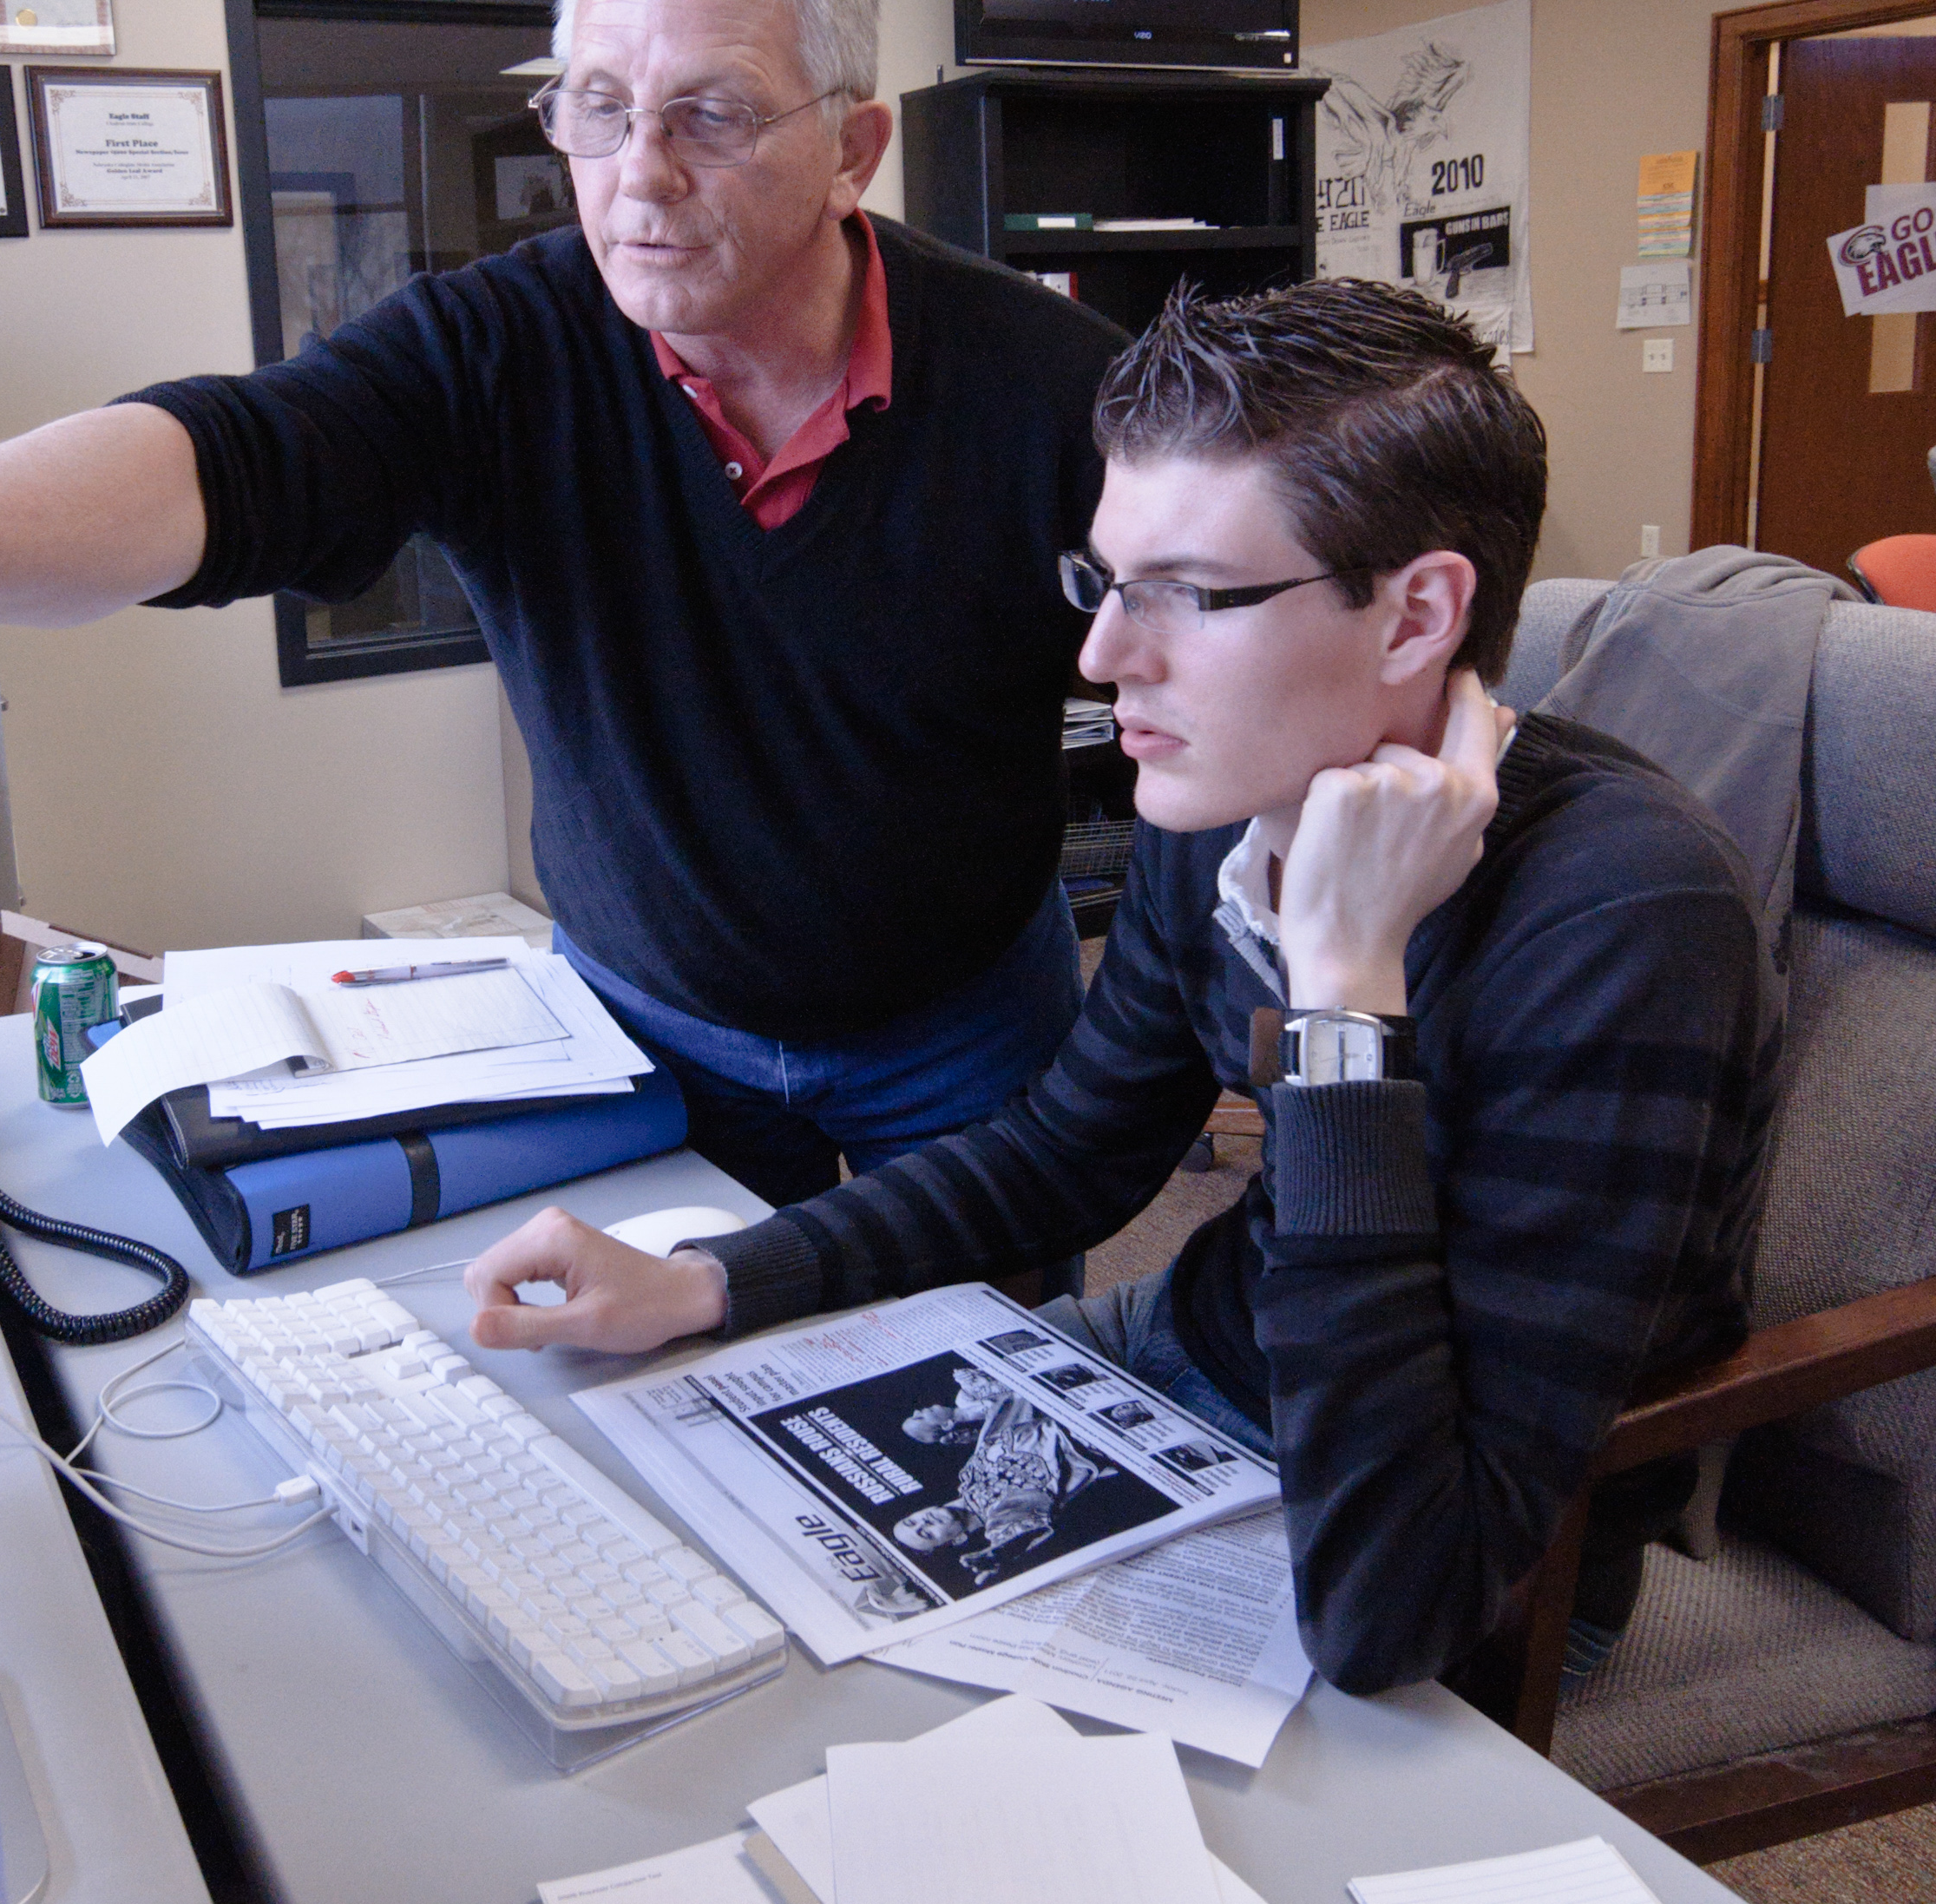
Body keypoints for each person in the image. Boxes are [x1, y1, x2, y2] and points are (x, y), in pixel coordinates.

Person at [0, 0, 1116, 1204]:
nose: (636, 175)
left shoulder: (1051, 386)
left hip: (965, 1029)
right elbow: (229, 463)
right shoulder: (501, 347)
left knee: (997, 1429)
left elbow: (1220, 695)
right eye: (595, 105)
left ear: (854, 146)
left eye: (710, 115)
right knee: (700, 1405)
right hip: (654, 1020)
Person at [462, 277, 1778, 1697]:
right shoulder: (1221, 803)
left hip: (1448, 1543)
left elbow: (1397, 1604)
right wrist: (709, 1279)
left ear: (1416, 619)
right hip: (1189, 1364)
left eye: (1190, 599)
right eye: (1104, 581)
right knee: (662, 1560)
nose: (1101, 660)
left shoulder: (1632, 917)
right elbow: (1071, 1151)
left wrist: (1345, 998)